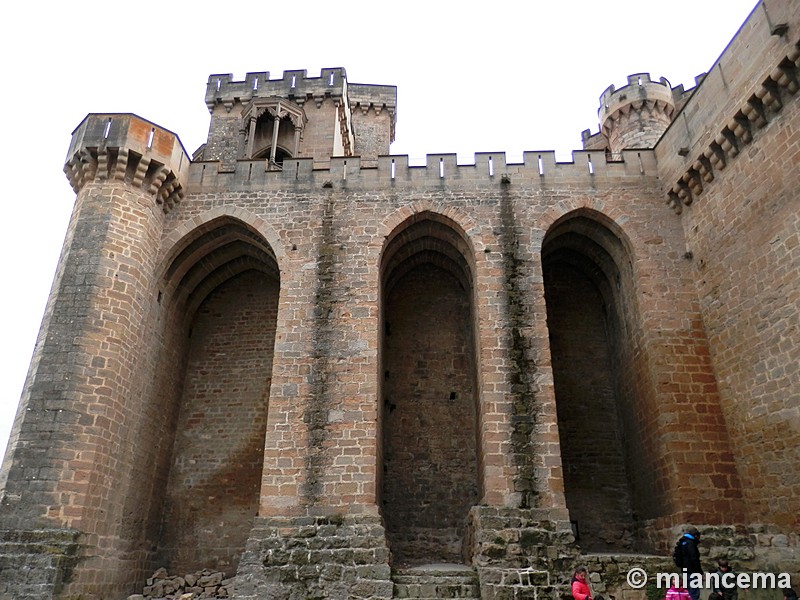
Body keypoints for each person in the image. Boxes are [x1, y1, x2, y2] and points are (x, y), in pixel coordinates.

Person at [674, 527, 703, 600]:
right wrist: (699, 571)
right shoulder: (691, 543)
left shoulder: (682, 542)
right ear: (695, 535)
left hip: (684, 570)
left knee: (686, 591)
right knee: (694, 592)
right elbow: (694, 558)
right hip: (692, 570)